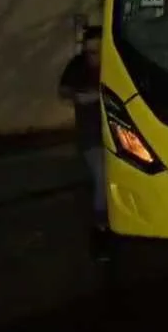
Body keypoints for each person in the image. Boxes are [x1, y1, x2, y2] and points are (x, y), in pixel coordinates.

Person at [58, 26, 107, 234]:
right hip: (90, 134)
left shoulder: (112, 63)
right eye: (90, 51)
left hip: (114, 133)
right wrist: (79, 96)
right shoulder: (78, 64)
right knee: (101, 175)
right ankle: (101, 221)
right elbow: (63, 90)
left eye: (97, 51)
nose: (93, 56)